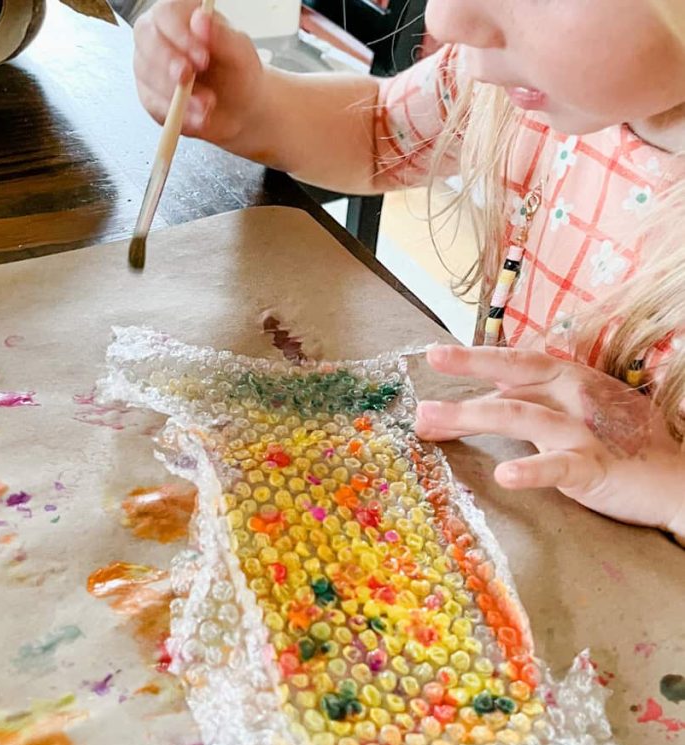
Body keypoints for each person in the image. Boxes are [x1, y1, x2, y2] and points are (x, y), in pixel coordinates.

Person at [132, 0, 685, 544]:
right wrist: (252, 106)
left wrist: (671, 492)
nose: (445, 19)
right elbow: (376, 134)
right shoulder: (524, 89)